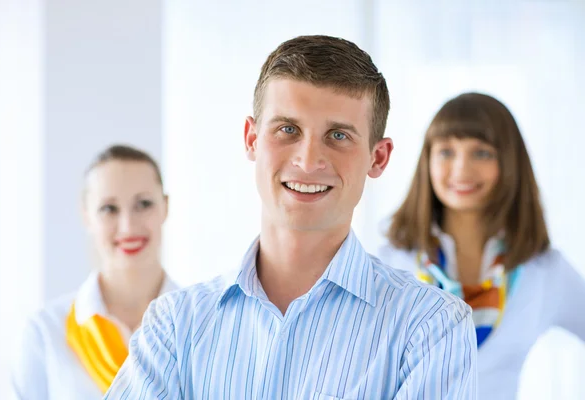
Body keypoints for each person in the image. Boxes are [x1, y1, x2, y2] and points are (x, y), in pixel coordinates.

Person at [105, 35, 477, 399]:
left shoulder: (431, 327)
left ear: (378, 158)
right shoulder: (174, 327)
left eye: (338, 135)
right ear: (251, 139)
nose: (308, 160)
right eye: (288, 129)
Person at [378, 92, 585, 399]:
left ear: (510, 162)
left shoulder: (545, 270)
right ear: (428, 161)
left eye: (482, 153)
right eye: (446, 152)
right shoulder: (390, 261)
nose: (461, 169)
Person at [11, 145, 179, 399]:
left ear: (165, 207)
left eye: (143, 204)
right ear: (87, 216)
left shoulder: (199, 323)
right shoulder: (46, 331)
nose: (128, 226)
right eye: (109, 209)